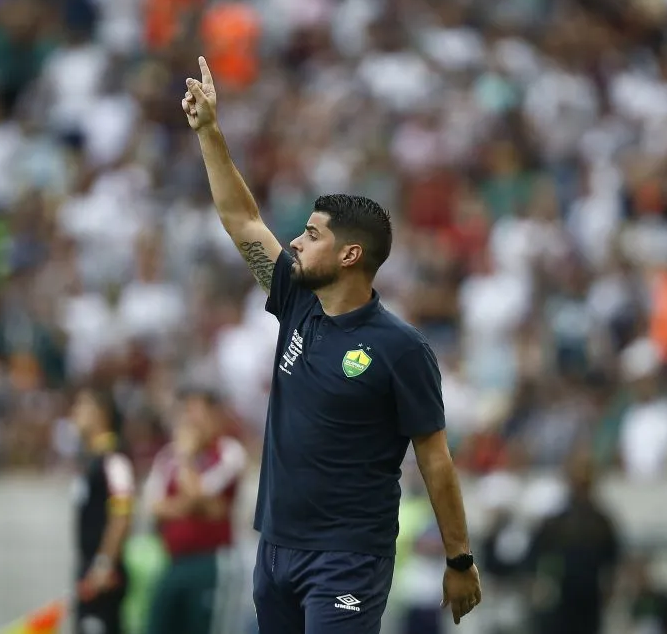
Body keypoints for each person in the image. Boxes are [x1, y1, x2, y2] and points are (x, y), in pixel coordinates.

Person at [181, 57, 481, 633]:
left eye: (312, 235)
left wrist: (459, 558)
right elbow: (241, 219)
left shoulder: (400, 349)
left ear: (349, 255)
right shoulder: (297, 301)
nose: (294, 241)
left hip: (347, 557)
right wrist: (210, 132)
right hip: (276, 549)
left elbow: (436, 461)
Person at [143, 387, 248, 634]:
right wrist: (195, 506)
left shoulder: (228, 452)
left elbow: (201, 495)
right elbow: (154, 508)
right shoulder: (167, 456)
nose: (190, 420)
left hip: (211, 561)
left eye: (197, 411)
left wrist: (187, 459)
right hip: (172, 560)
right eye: (187, 412)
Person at [526, 454, 620, 634]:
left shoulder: (601, 523)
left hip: (590, 595)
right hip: (560, 595)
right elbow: (534, 554)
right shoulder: (556, 522)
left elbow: (612, 559)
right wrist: (535, 582)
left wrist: (611, 586)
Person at [71, 388, 135, 634]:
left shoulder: (114, 459)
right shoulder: (90, 461)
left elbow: (122, 514)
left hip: (102, 573)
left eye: (82, 406)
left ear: (102, 414)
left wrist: (104, 564)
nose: (74, 413)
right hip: (89, 567)